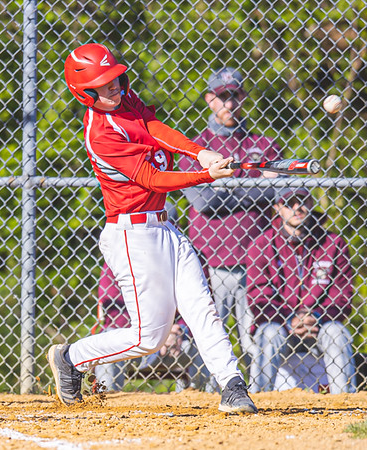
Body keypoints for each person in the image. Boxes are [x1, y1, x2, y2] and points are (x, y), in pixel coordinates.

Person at [47, 43, 257, 414]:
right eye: (104, 83)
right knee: (149, 337)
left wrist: (198, 151)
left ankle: (232, 386)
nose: (114, 87)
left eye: (115, 78)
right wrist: (205, 173)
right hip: (132, 236)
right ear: (85, 91)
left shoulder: (124, 100)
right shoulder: (100, 133)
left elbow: (152, 127)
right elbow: (151, 178)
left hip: (166, 228)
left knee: (202, 307)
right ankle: (71, 357)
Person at [177, 67, 282, 363]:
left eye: (235, 96)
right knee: (207, 341)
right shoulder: (196, 148)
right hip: (209, 261)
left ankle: (265, 398)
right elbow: (204, 201)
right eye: (223, 97)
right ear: (210, 99)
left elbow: (277, 192)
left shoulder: (263, 145)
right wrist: (254, 186)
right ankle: (200, 401)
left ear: (244, 97)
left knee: (256, 343)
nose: (230, 104)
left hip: (257, 262)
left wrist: (227, 189)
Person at [245, 186, 357, 394]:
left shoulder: (333, 243)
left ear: (311, 205)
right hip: (280, 323)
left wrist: (316, 316)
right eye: (289, 203)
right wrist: (289, 319)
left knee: (338, 332)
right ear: (278, 208)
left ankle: (345, 402)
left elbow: (342, 295)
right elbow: (258, 296)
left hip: (320, 323)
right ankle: (258, 397)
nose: (297, 208)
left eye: (303, 202)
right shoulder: (262, 244)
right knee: (269, 333)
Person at [93, 262, 212, 392]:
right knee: (109, 342)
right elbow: (115, 314)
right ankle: (107, 398)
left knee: (205, 342)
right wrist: (158, 329)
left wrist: (179, 328)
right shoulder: (116, 258)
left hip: (173, 339)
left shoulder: (177, 254)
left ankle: (201, 398)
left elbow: (196, 303)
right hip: (132, 338)